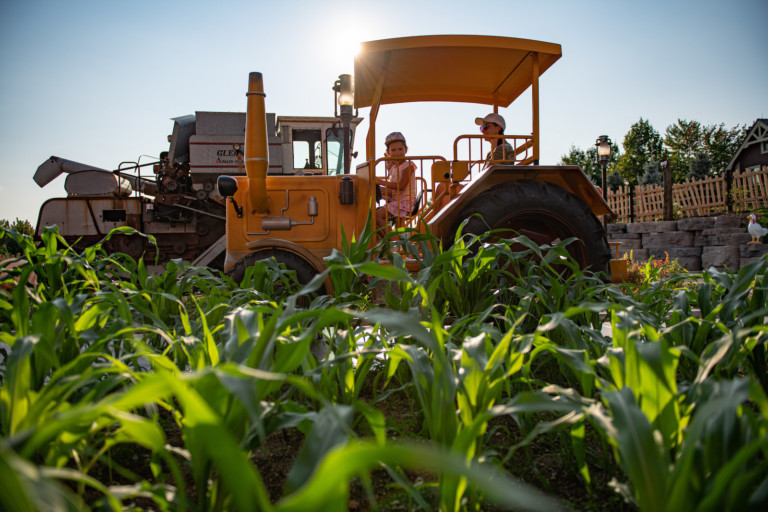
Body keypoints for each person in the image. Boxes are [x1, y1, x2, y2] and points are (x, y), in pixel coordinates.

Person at [376, 132, 417, 230]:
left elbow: (401, 186)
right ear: (388, 152)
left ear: (406, 150)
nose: (397, 153)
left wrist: (379, 182)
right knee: (373, 218)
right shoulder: (395, 168)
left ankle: (395, 242)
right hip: (397, 201)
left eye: (400, 149)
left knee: (377, 216)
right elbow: (391, 189)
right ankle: (387, 240)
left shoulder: (408, 166)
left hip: (405, 203)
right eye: (393, 150)